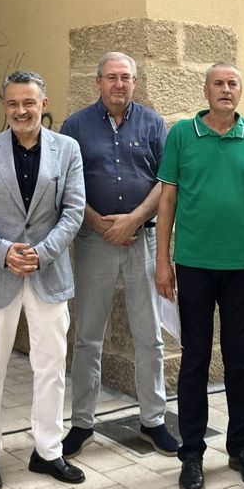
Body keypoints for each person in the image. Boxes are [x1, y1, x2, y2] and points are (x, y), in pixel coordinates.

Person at [0, 70, 87, 489]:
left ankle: (49, 450)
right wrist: (3, 250)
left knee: (50, 367)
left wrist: (42, 252)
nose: (21, 111)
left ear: (43, 104)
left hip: (48, 273)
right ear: (4, 106)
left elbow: (74, 210)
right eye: (13, 103)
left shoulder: (67, 149)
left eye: (29, 102)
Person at [155, 62, 244, 489]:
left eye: (232, 84)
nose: (225, 90)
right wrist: (162, 261)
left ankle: (241, 448)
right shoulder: (183, 134)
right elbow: (167, 199)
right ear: (205, 91)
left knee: (240, 360)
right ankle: (191, 454)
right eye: (218, 84)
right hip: (193, 265)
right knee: (195, 359)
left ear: (241, 91)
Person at [58, 52, 179, 458]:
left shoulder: (152, 123)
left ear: (134, 82)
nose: (119, 84)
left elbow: (167, 181)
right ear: (98, 82)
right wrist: (98, 223)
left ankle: (153, 421)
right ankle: (81, 423)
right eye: (111, 77)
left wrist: (133, 220)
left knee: (150, 336)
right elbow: (66, 185)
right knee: (88, 336)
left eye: (126, 77)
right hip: (94, 242)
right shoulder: (75, 126)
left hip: (142, 239)